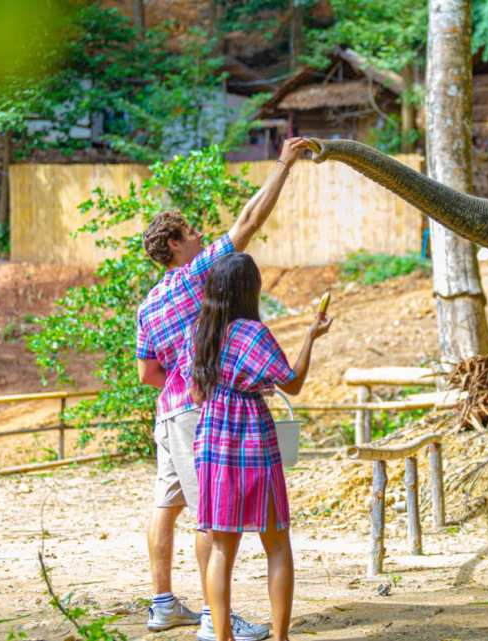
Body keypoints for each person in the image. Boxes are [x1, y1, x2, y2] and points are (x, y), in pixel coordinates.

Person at [135, 138, 311, 636]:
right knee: (212, 520)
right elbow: (251, 220)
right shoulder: (197, 276)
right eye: (191, 232)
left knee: (166, 504)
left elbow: (147, 374)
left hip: (167, 412)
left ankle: (164, 602)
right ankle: (217, 623)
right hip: (202, 409)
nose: (200, 236)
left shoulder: (147, 305)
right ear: (174, 246)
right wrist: (283, 163)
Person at [187, 253, 332, 641]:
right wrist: (309, 336)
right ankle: (281, 637)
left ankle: (222, 638)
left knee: (221, 550)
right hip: (251, 437)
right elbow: (292, 382)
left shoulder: (200, 331)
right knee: (277, 543)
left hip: (212, 441)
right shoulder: (253, 333)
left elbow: (195, 392)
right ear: (250, 290)